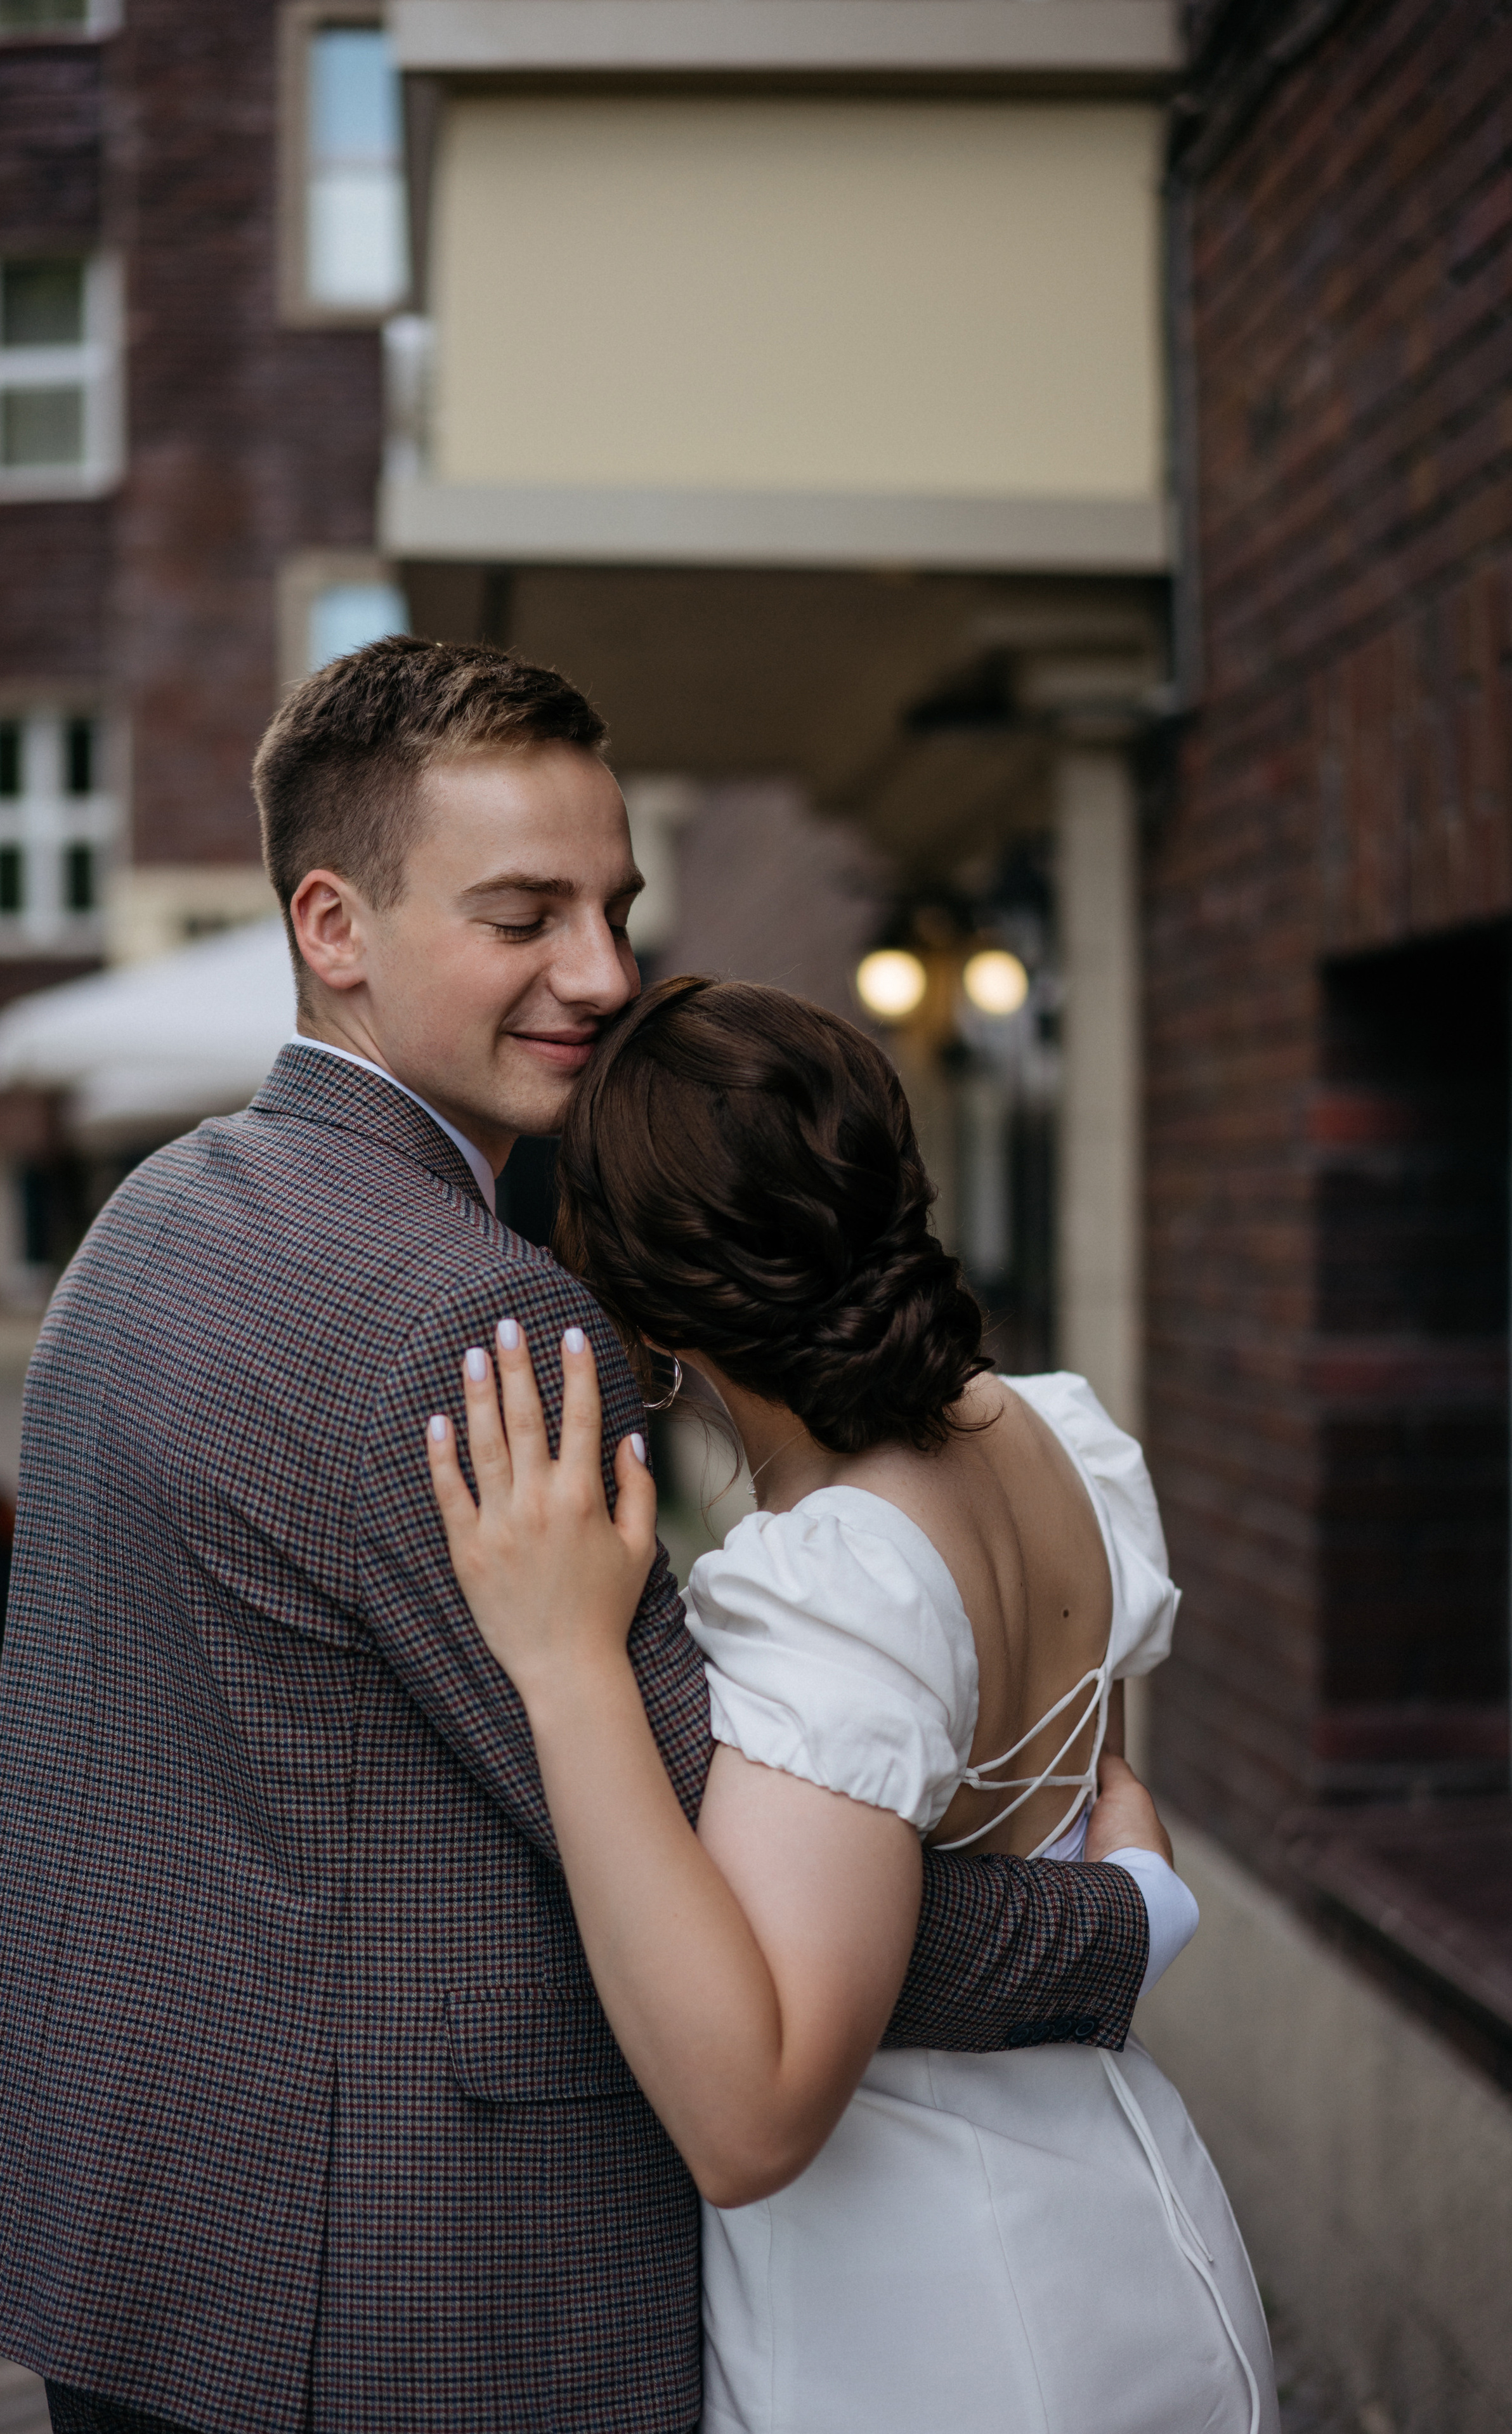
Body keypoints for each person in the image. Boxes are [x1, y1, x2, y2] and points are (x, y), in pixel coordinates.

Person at [0, 640, 1173, 2434]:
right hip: (391, 2289)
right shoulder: (483, 1325)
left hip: (127, 2231)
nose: (602, 970)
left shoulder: (152, 1212)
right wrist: (1116, 1920)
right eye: (524, 915)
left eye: (614, 902)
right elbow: (745, 1892)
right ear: (333, 925)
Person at [425, 973, 1278, 2434]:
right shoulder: (1058, 1433)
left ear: (644, 1310)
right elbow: (1099, 1807)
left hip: (937, 2321)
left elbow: (750, 2115)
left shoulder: (827, 1581)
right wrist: (1134, 1894)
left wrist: (567, 1666)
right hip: (1142, 2228)